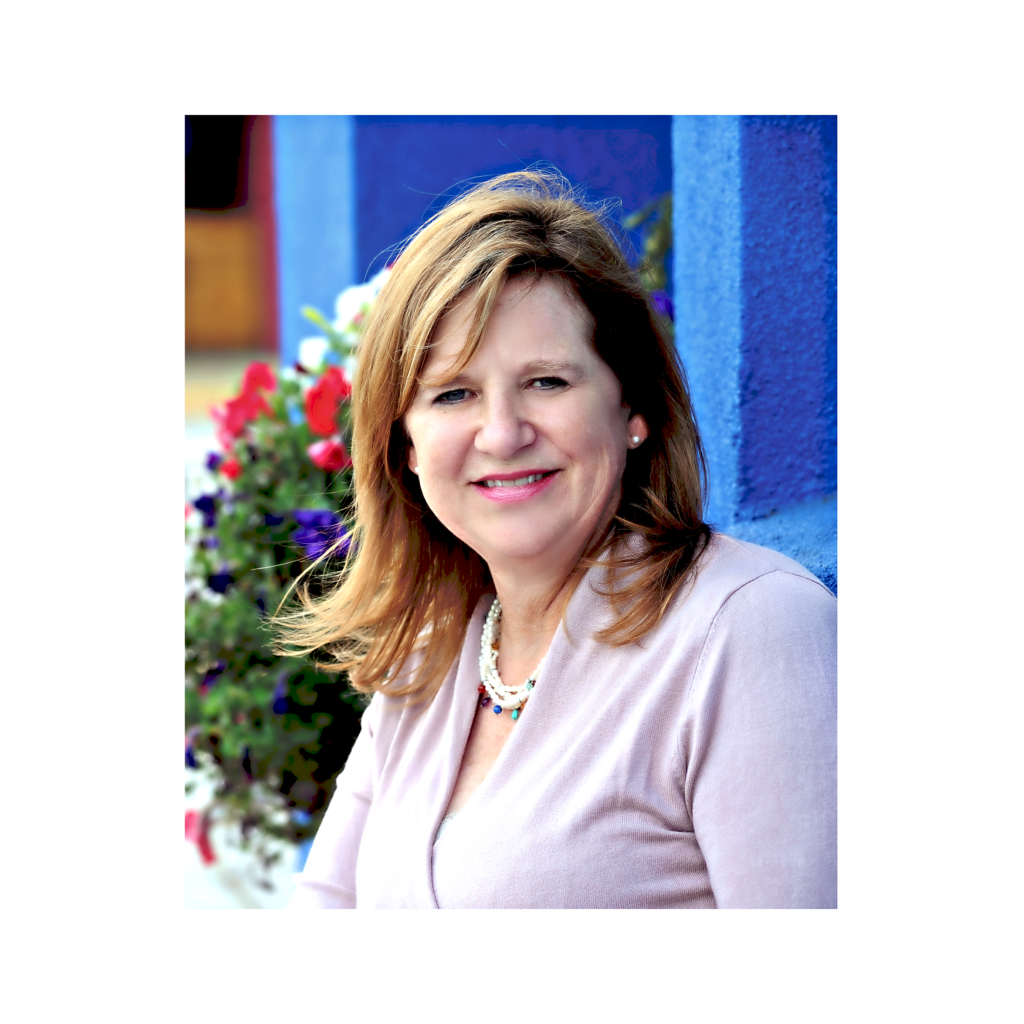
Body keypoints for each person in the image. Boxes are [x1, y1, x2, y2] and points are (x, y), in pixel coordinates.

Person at [278, 170, 837, 909]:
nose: (503, 433)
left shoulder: (750, 630)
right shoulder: (434, 656)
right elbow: (324, 909)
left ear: (631, 405)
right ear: (405, 445)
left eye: (546, 382)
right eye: (454, 394)